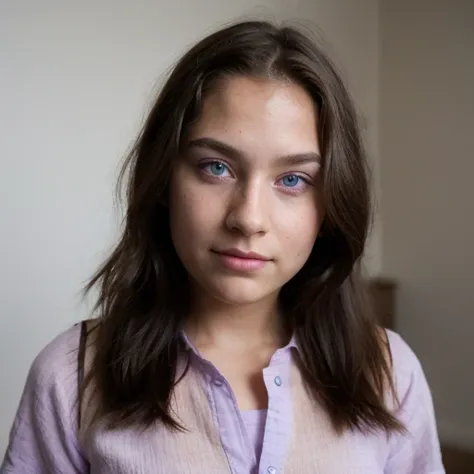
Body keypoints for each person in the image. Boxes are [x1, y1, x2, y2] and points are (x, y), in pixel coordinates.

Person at [1, 20, 445, 474]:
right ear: (163, 180)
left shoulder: (390, 373)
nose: (248, 219)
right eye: (216, 167)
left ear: (330, 204)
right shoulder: (71, 376)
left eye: (292, 180)